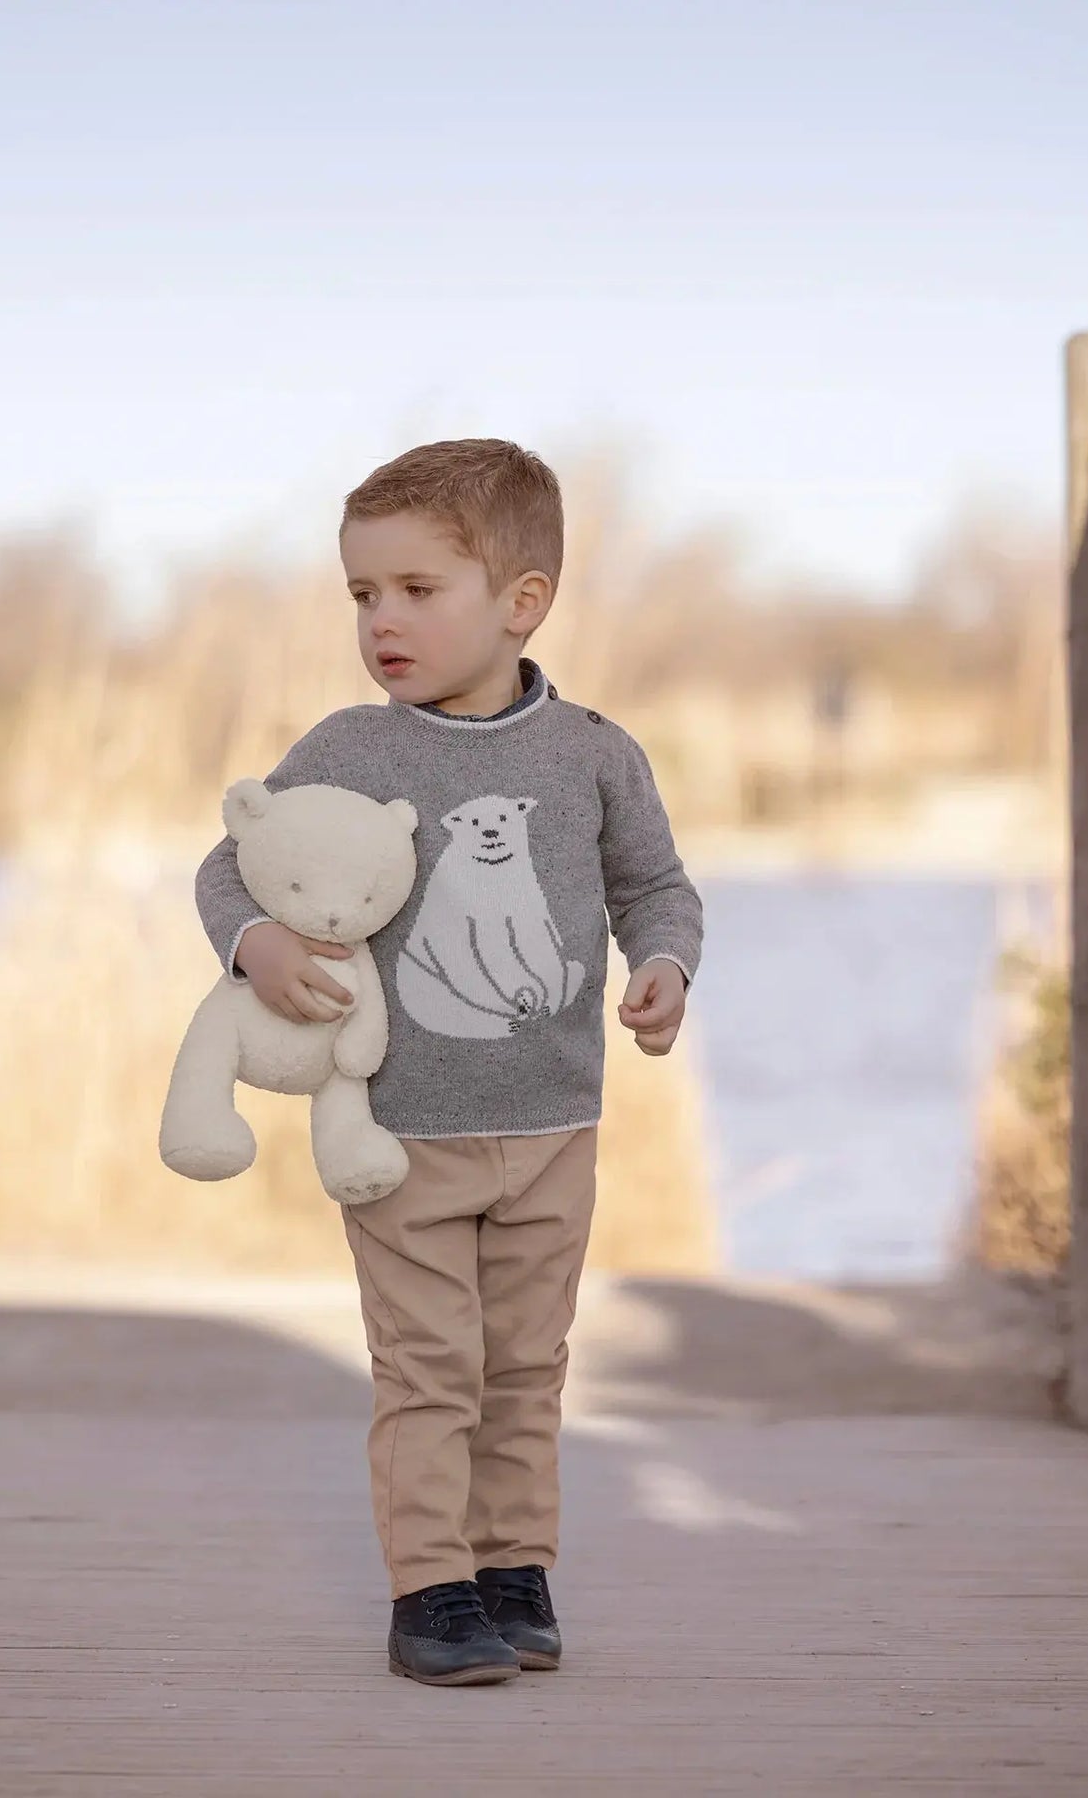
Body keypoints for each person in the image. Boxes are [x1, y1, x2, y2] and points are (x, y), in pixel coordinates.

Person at [194, 437, 704, 1687]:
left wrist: (665, 965)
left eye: (418, 590)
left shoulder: (593, 752)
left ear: (522, 602)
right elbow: (228, 866)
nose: (382, 621)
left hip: (554, 1125)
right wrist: (258, 943)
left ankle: (513, 1567)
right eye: (363, 594)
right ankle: (430, 1588)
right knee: (429, 1369)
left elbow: (656, 887)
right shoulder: (351, 751)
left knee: (527, 1366)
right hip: (399, 1129)